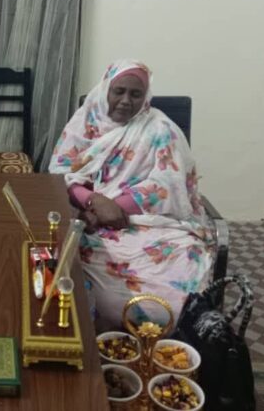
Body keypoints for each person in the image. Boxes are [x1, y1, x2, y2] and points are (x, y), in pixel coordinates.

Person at [49, 60, 212, 329]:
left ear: (145, 97)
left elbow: (168, 185)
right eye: (119, 91)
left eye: (135, 94)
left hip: (151, 222)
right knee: (85, 287)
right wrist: (93, 201)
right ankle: (100, 344)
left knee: (183, 284)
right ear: (106, 90)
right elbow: (61, 173)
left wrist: (112, 206)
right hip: (89, 222)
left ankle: (169, 344)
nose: (125, 101)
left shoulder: (160, 128)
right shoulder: (84, 122)